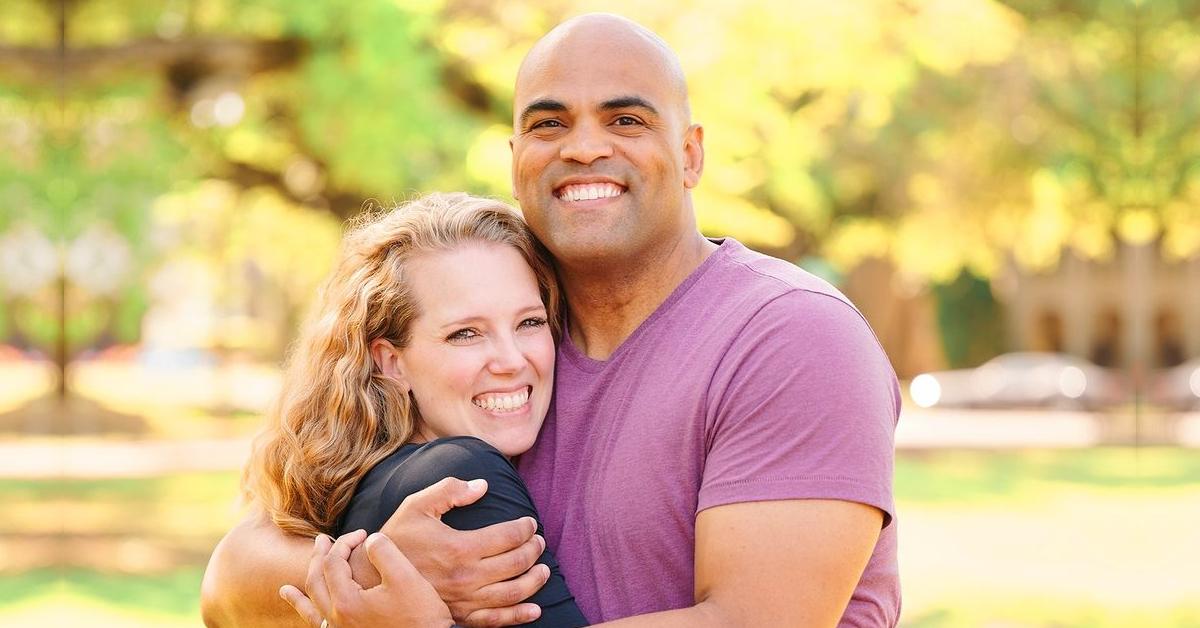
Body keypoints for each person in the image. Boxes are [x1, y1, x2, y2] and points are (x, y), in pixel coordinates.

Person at [204, 12, 901, 627]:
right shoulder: (503, 344)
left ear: (690, 154)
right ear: (515, 163)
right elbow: (231, 579)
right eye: (549, 123)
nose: (585, 148)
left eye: (626, 119)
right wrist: (367, 571)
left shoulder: (790, 337)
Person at [210, 193, 586, 627]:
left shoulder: (362, 479)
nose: (512, 360)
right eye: (466, 333)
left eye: (530, 323)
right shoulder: (460, 480)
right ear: (391, 362)